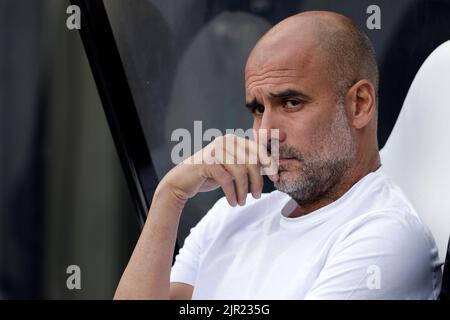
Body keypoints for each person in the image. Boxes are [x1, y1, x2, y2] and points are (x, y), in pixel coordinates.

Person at [114, 11, 442, 300]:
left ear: (359, 104)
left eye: (290, 103)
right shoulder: (232, 215)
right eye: (258, 109)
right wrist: (169, 196)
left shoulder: (385, 237)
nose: (266, 132)